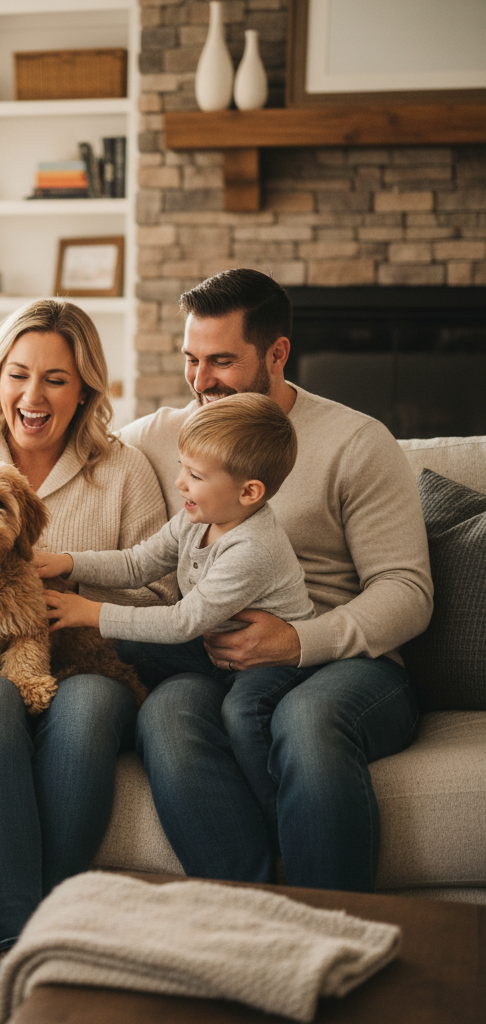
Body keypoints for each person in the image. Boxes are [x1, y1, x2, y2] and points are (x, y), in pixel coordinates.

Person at [119, 268, 433, 892]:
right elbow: (67, 451)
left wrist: (298, 642)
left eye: (222, 361)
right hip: (220, 660)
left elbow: (407, 591)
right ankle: (249, 918)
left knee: (307, 723)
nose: (201, 382)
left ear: (277, 354)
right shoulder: (163, 437)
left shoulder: (356, 442)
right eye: (191, 360)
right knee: (167, 715)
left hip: (349, 665)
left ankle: (332, 927)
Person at [0, 297, 175, 969]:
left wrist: (81, 601)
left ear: (85, 387)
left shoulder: (123, 469)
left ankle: (52, 943)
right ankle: (12, 955)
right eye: (18, 373)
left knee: (82, 715)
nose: (33, 394)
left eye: (56, 377)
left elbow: (164, 591)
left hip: (87, 660)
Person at [36, 392, 315, 833]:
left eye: (195, 474)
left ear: (249, 492)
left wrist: (90, 611)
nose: (180, 482)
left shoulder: (252, 548)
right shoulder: (198, 515)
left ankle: (277, 816)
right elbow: (138, 562)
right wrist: (68, 562)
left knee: (244, 714)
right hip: (210, 649)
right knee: (123, 648)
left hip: (266, 663)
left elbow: (183, 620)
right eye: (181, 467)